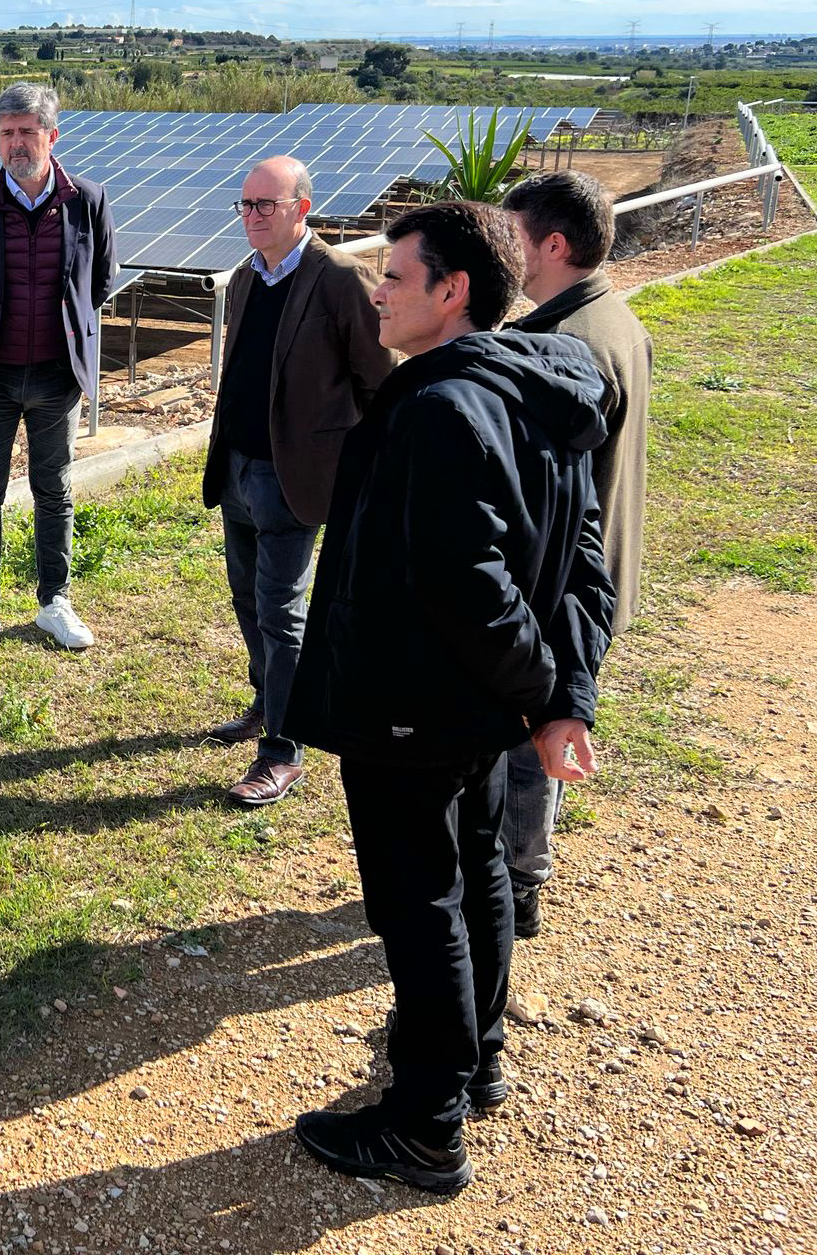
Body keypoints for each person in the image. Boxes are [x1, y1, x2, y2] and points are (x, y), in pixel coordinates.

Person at [283, 200, 615, 1193]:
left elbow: (472, 589)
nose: (375, 293)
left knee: (418, 901)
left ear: (449, 291)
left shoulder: (437, 408)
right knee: (474, 874)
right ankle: (475, 1068)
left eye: (392, 276)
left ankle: (424, 1123)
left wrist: (548, 696)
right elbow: (582, 573)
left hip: (413, 706)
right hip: (477, 708)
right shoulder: (542, 385)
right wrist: (557, 701)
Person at [200, 155, 395, 807]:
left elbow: (380, 381)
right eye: (246, 205)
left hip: (295, 477)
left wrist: (357, 465)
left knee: (283, 614)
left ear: (301, 209)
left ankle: (282, 751)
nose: (252, 217)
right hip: (238, 469)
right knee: (248, 600)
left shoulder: (338, 279)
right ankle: (268, 701)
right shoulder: (246, 276)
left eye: (266, 206)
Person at [500, 171, 653, 939]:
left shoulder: (556, 347)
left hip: (557, 591)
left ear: (553, 245)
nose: (505, 252)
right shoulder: (617, 318)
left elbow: (541, 498)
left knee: (536, 740)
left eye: (514, 236)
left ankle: (519, 880)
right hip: (601, 578)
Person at [0, 82, 118, 652]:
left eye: (27, 132)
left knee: (54, 491)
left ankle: (54, 602)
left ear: (52, 135)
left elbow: (102, 279)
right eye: (7, 133)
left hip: (57, 377)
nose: (16, 143)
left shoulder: (87, 199)